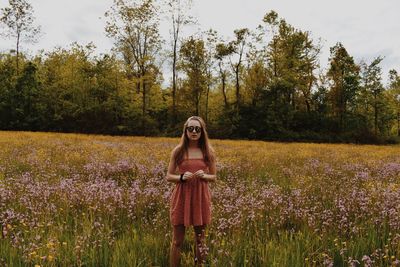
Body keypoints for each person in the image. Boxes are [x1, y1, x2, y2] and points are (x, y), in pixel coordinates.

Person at [166, 116, 217, 266]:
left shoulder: (208, 151)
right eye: (190, 128)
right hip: (182, 197)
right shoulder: (178, 151)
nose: (194, 132)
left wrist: (205, 175)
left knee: (200, 240)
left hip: (201, 197)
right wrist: (181, 177)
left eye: (197, 129)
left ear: (202, 132)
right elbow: (168, 176)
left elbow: (214, 177)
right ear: (186, 131)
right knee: (177, 241)